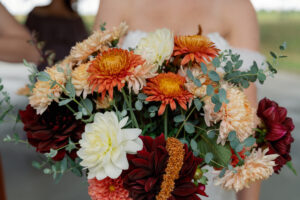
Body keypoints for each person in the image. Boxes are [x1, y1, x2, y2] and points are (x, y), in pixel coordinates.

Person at [94, 0, 265, 200]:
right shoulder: (115, 3)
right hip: (132, 177)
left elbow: (249, 124)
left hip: (207, 180)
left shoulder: (237, 7)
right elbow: (97, 98)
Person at [25, 0, 88, 70]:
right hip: (42, 67)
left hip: (68, 68)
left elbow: (83, 44)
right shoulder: (37, 13)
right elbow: (26, 40)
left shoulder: (75, 18)